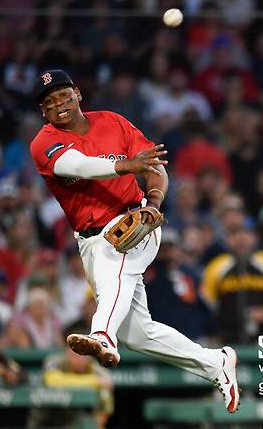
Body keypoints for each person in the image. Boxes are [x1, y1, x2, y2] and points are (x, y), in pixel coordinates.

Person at [28, 70, 239, 413]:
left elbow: (154, 166)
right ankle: (216, 362)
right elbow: (79, 165)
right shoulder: (43, 142)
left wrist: (154, 203)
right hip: (90, 239)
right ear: (44, 113)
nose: (59, 105)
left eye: (63, 95)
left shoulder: (112, 122)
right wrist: (127, 166)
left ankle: (101, 336)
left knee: (117, 260)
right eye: (49, 103)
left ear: (78, 94)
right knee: (138, 333)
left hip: (135, 220)